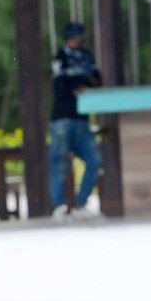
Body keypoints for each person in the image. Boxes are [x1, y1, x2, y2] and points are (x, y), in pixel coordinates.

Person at [48, 21, 103, 220]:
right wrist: (78, 85)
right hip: (62, 118)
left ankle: (81, 203)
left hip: (82, 118)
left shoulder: (87, 56)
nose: (77, 42)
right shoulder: (60, 58)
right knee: (60, 162)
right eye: (74, 39)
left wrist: (82, 84)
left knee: (94, 161)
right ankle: (59, 206)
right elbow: (59, 86)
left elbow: (97, 79)